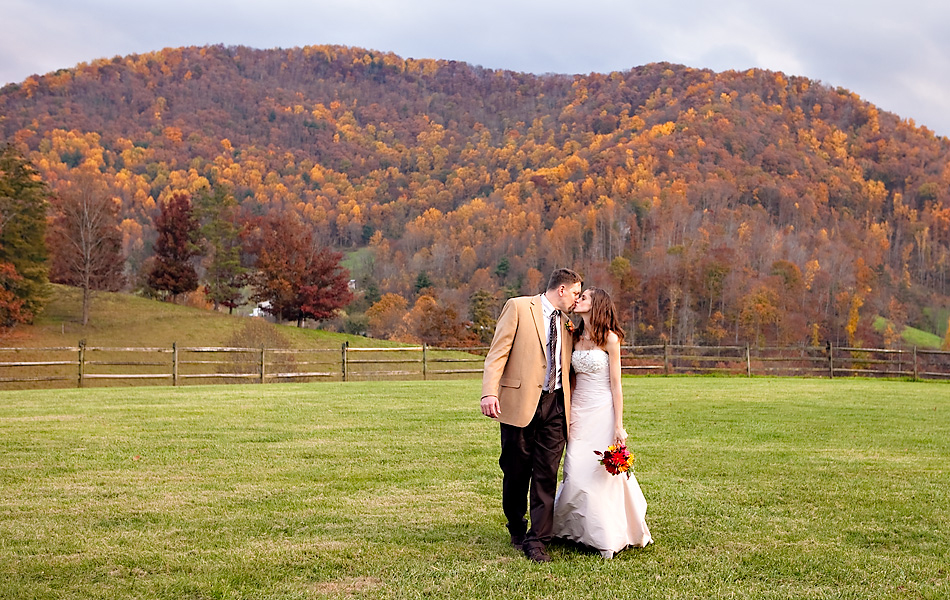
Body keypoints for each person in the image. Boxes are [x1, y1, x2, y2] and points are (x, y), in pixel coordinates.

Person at [480, 268, 583, 563]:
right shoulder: (518, 307)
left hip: (555, 407)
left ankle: (537, 540)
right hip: (519, 403)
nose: (577, 299)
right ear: (561, 290)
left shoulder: (568, 324)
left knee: (546, 474)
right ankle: (516, 526)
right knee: (515, 472)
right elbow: (497, 353)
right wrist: (489, 392)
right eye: (575, 292)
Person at [552, 287, 652, 558]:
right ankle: (572, 529)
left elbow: (616, 385)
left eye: (583, 297)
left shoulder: (610, 339)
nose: (578, 299)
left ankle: (604, 533)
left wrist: (618, 425)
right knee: (574, 465)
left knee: (600, 473)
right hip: (579, 410)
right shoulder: (573, 336)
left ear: (596, 305)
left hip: (602, 410)